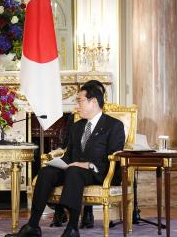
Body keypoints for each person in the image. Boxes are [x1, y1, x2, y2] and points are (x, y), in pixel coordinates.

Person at [7, 80, 125, 237]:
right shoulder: (77, 126)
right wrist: (58, 163)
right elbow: (70, 155)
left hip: (98, 172)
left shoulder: (114, 125)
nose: (77, 106)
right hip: (74, 169)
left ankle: (72, 228)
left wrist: (87, 164)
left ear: (94, 102)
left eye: (79, 101)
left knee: (74, 171)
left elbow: (114, 156)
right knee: (47, 172)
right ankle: (33, 225)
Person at [51, 80, 107, 229]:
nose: (77, 106)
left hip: (93, 168)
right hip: (74, 161)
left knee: (78, 170)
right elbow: (68, 144)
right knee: (52, 171)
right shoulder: (75, 120)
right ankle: (59, 211)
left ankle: (85, 213)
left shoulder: (108, 123)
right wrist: (58, 153)